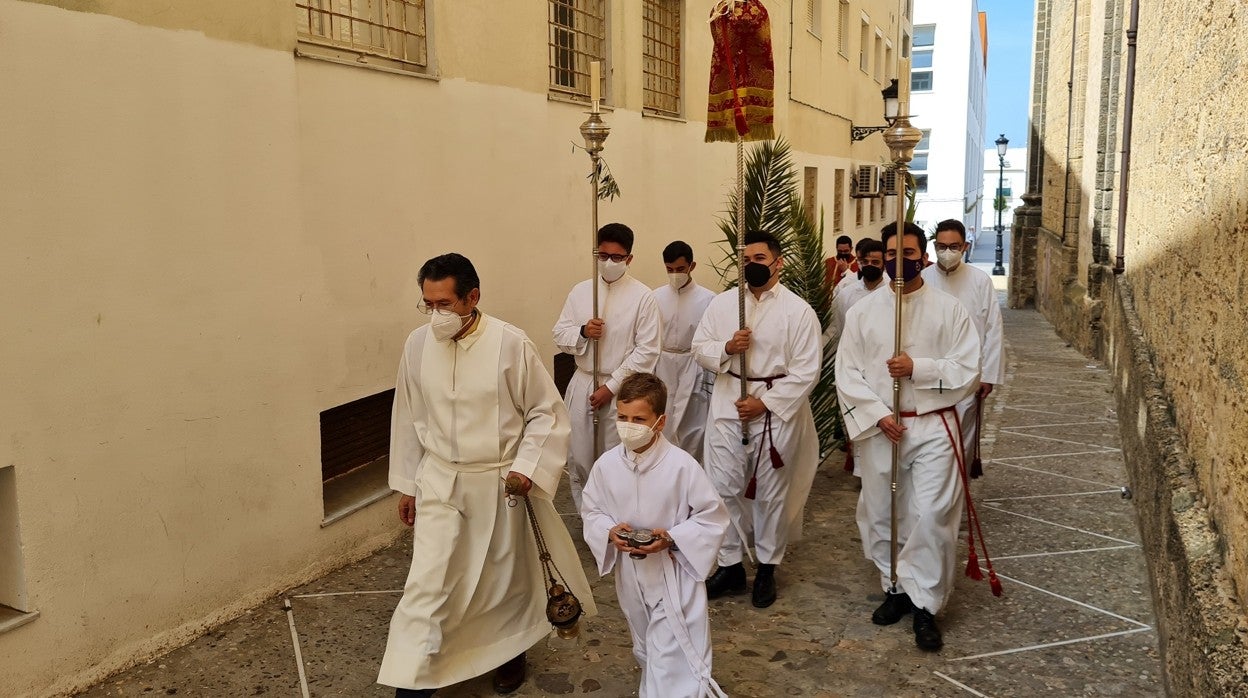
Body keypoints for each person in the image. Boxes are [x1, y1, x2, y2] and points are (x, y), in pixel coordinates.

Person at [379, 253, 596, 696]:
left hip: (499, 485)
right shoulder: (417, 345)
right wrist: (406, 484)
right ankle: (412, 682)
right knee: (429, 583)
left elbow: (546, 414)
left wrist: (526, 469)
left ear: (472, 297)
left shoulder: (510, 344)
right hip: (440, 481)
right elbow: (407, 415)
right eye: (428, 303)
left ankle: (508, 653)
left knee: (501, 582)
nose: (435, 314)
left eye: (444, 303)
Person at [835, 222, 981, 651]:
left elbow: (968, 368)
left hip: (933, 424)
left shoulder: (949, 309)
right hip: (883, 426)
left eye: (910, 252)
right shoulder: (864, 312)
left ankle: (926, 604)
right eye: (893, 251)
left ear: (925, 257)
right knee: (882, 510)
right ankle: (894, 585)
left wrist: (919, 367)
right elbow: (847, 373)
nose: (902, 259)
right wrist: (878, 415)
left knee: (931, 512)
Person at [581, 373, 730, 698]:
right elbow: (592, 510)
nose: (628, 425)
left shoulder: (681, 466)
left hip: (673, 576)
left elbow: (712, 516)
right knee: (647, 645)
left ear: (660, 422)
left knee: (670, 656)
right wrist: (609, 532)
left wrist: (673, 537)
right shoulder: (606, 466)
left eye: (639, 419)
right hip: (631, 575)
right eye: (622, 417)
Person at [693, 231, 822, 608]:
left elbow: (806, 371)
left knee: (769, 492)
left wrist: (764, 404)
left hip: (775, 412)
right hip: (727, 403)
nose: (752, 265)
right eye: (745, 258)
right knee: (722, 487)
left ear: (778, 262)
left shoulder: (798, 311)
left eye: (760, 258)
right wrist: (729, 347)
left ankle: (767, 565)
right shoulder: (722, 306)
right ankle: (730, 565)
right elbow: (700, 349)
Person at [553, 223, 662, 511]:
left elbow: (648, 349)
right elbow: (559, 334)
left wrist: (611, 387)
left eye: (616, 257)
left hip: (623, 390)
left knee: (618, 455)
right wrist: (583, 331)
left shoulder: (643, 297)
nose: (609, 263)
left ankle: (618, 515)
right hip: (584, 382)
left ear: (629, 259)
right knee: (580, 455)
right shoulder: (580, 291)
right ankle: (589, 517)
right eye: (602, 255)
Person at [921, 219, 1005, 466]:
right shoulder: (923, 279)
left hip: (969, 375)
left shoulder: (980, 281)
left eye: (954, 246)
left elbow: (993, 328)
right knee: (932, 439)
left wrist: (988, 375)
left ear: (965, 247)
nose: (948, 252)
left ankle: (960, 494)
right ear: (935, 246)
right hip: (929, 373)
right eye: (942, 246)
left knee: (963, 437)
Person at [653, 241, 717, 460]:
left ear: (692, 266)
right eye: (669, 269)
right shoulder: (655, 297)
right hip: (663, 364)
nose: (675, 274)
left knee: (694, 423)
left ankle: (692, 469)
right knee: (664, 418)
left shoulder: (708, 299)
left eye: (680, 269)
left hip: (694, 364)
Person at [824, 238, 887, 351]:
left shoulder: (893, 292)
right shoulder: (846, 294)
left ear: (884, 264)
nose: (869, 265)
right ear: (859, 263)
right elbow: (834, 330)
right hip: (852, 356)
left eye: (875, 262)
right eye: (865, 262)